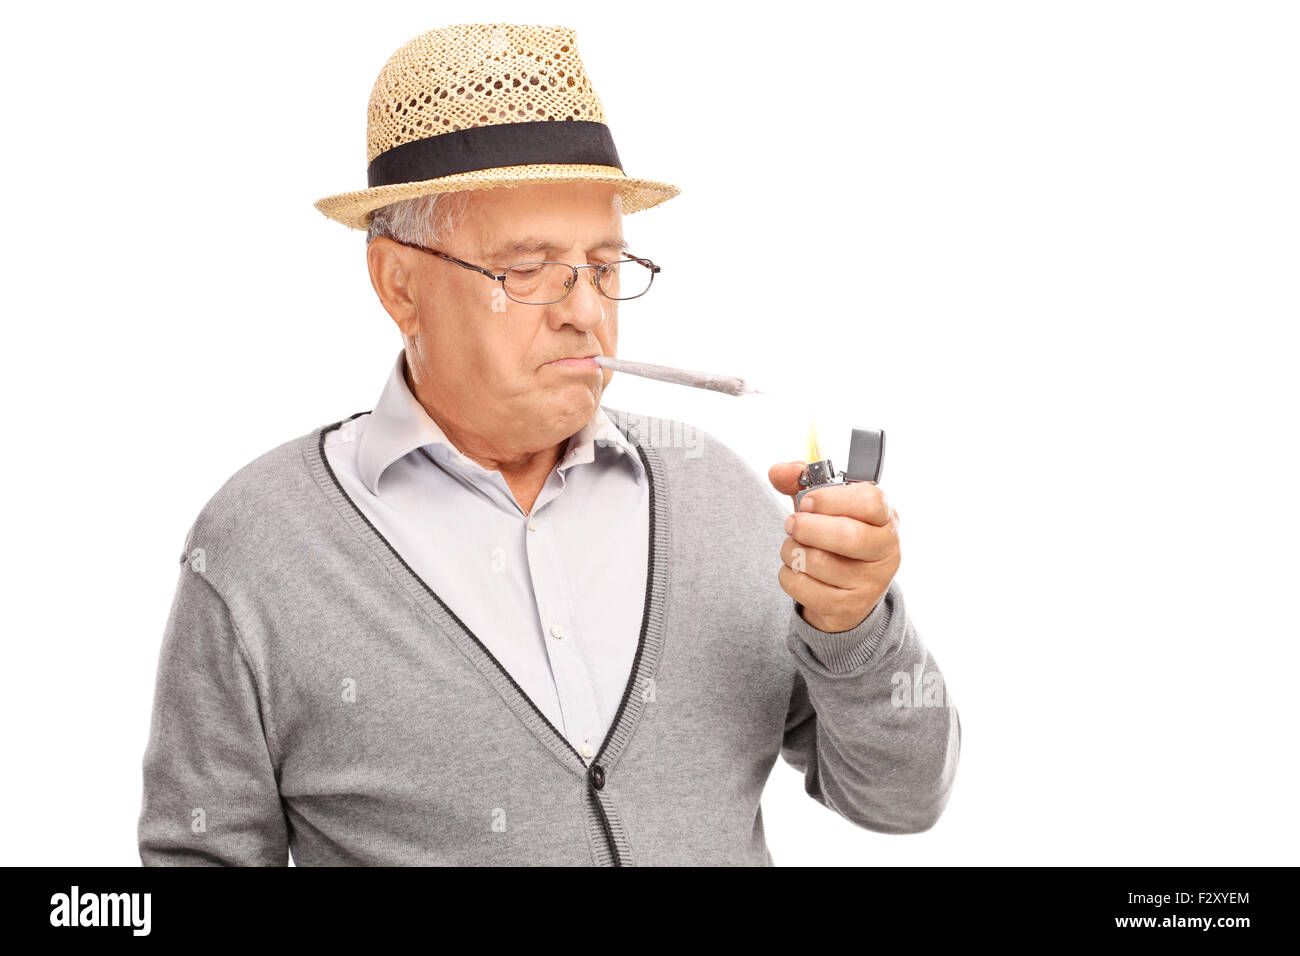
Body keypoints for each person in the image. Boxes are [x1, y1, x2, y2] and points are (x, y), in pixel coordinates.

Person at [137, 22, 960, 866]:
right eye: (526, 269)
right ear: (398, 283)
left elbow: (900, 801)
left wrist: (855, 624)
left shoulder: (719, 496)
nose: (585, 312)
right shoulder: (261, 542)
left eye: (604, 266)